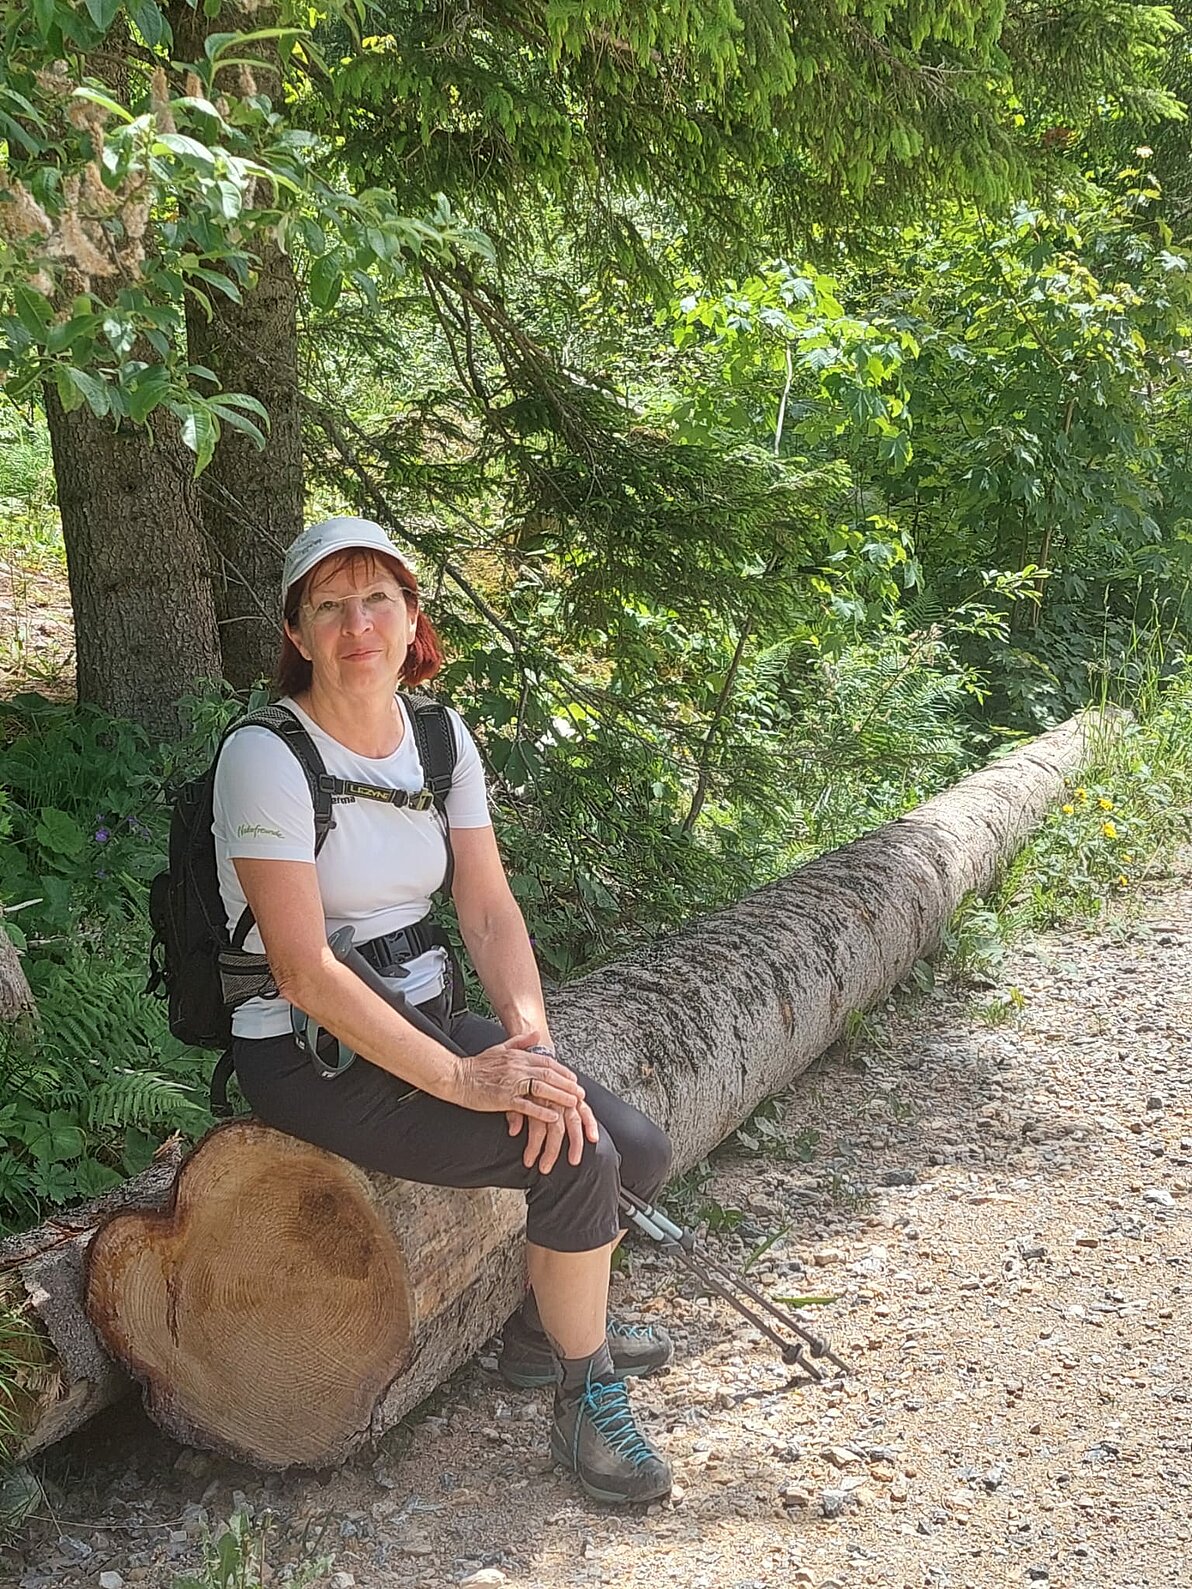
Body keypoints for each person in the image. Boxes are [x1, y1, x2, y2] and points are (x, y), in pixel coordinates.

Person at [212, 516, 675, 1504]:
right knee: (573, 1157)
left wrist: (530, 1041)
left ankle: (544, 1334)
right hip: (309, 1055)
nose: (357, 625)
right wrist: (469, 1079)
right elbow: (302, 969)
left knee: (633, 1148)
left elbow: (488, 907)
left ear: (410, 613)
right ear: (295, 631)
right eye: (329, 605)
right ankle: (585, 1394)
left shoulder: (437, 735)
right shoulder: (264, 756)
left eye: (377, 599)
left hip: (425, 1016)